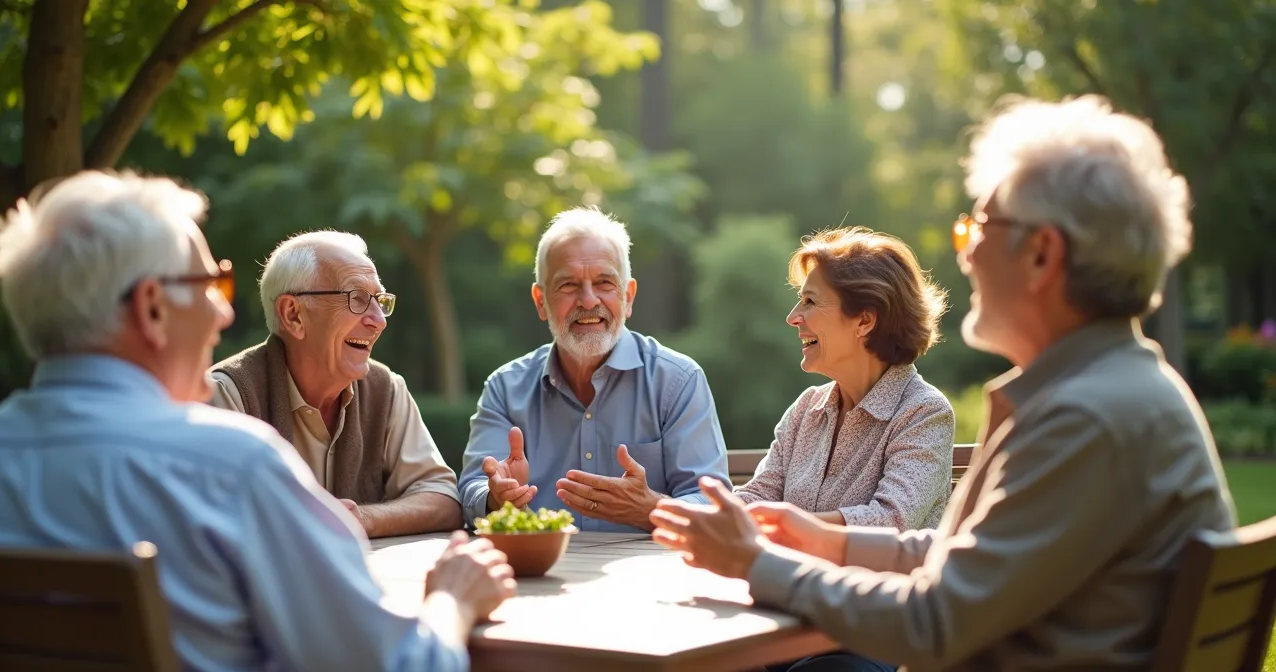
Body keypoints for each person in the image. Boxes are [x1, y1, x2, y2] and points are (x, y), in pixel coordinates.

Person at [648, 95, 1237, 671]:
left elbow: (933, 624)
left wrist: (757, 564)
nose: (966, 254)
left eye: (978, 226)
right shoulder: (1113, 390)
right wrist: (828, 542)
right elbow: (967, 560)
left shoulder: (1087, 418)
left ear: (1042, 254)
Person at [0, 171, 515, 671]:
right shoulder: (232, 466)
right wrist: (453, 600)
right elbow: (403, 667)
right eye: (209, 284)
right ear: (153, 308)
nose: (224, 312)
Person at [458, 207, 731, 532]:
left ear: (628, 296)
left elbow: (713, 505)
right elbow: (473, 488)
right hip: (540, 577)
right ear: (540, 302)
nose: (588, 301)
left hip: (653, 578)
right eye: (569, 285)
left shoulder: (678, 381)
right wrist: (496, 498)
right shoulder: (505, 388)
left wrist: (650, 508)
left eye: (604, 283)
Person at [211, 231, 463, 538]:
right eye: (356, 299)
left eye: (379, 301)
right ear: (293, 315)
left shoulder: (386, 389)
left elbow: (443, 499)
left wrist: (364, 519)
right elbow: (216, 523)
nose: (378, 321)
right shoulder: (227, 394)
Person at [735, 226, 954, 532]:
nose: (793, 317)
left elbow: (892, 520)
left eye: (810, 301)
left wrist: (785, 524)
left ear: (864, 320)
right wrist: (701, 511)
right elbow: (758, 496)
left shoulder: (924, 412)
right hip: (794, 578)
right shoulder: (807, 408)